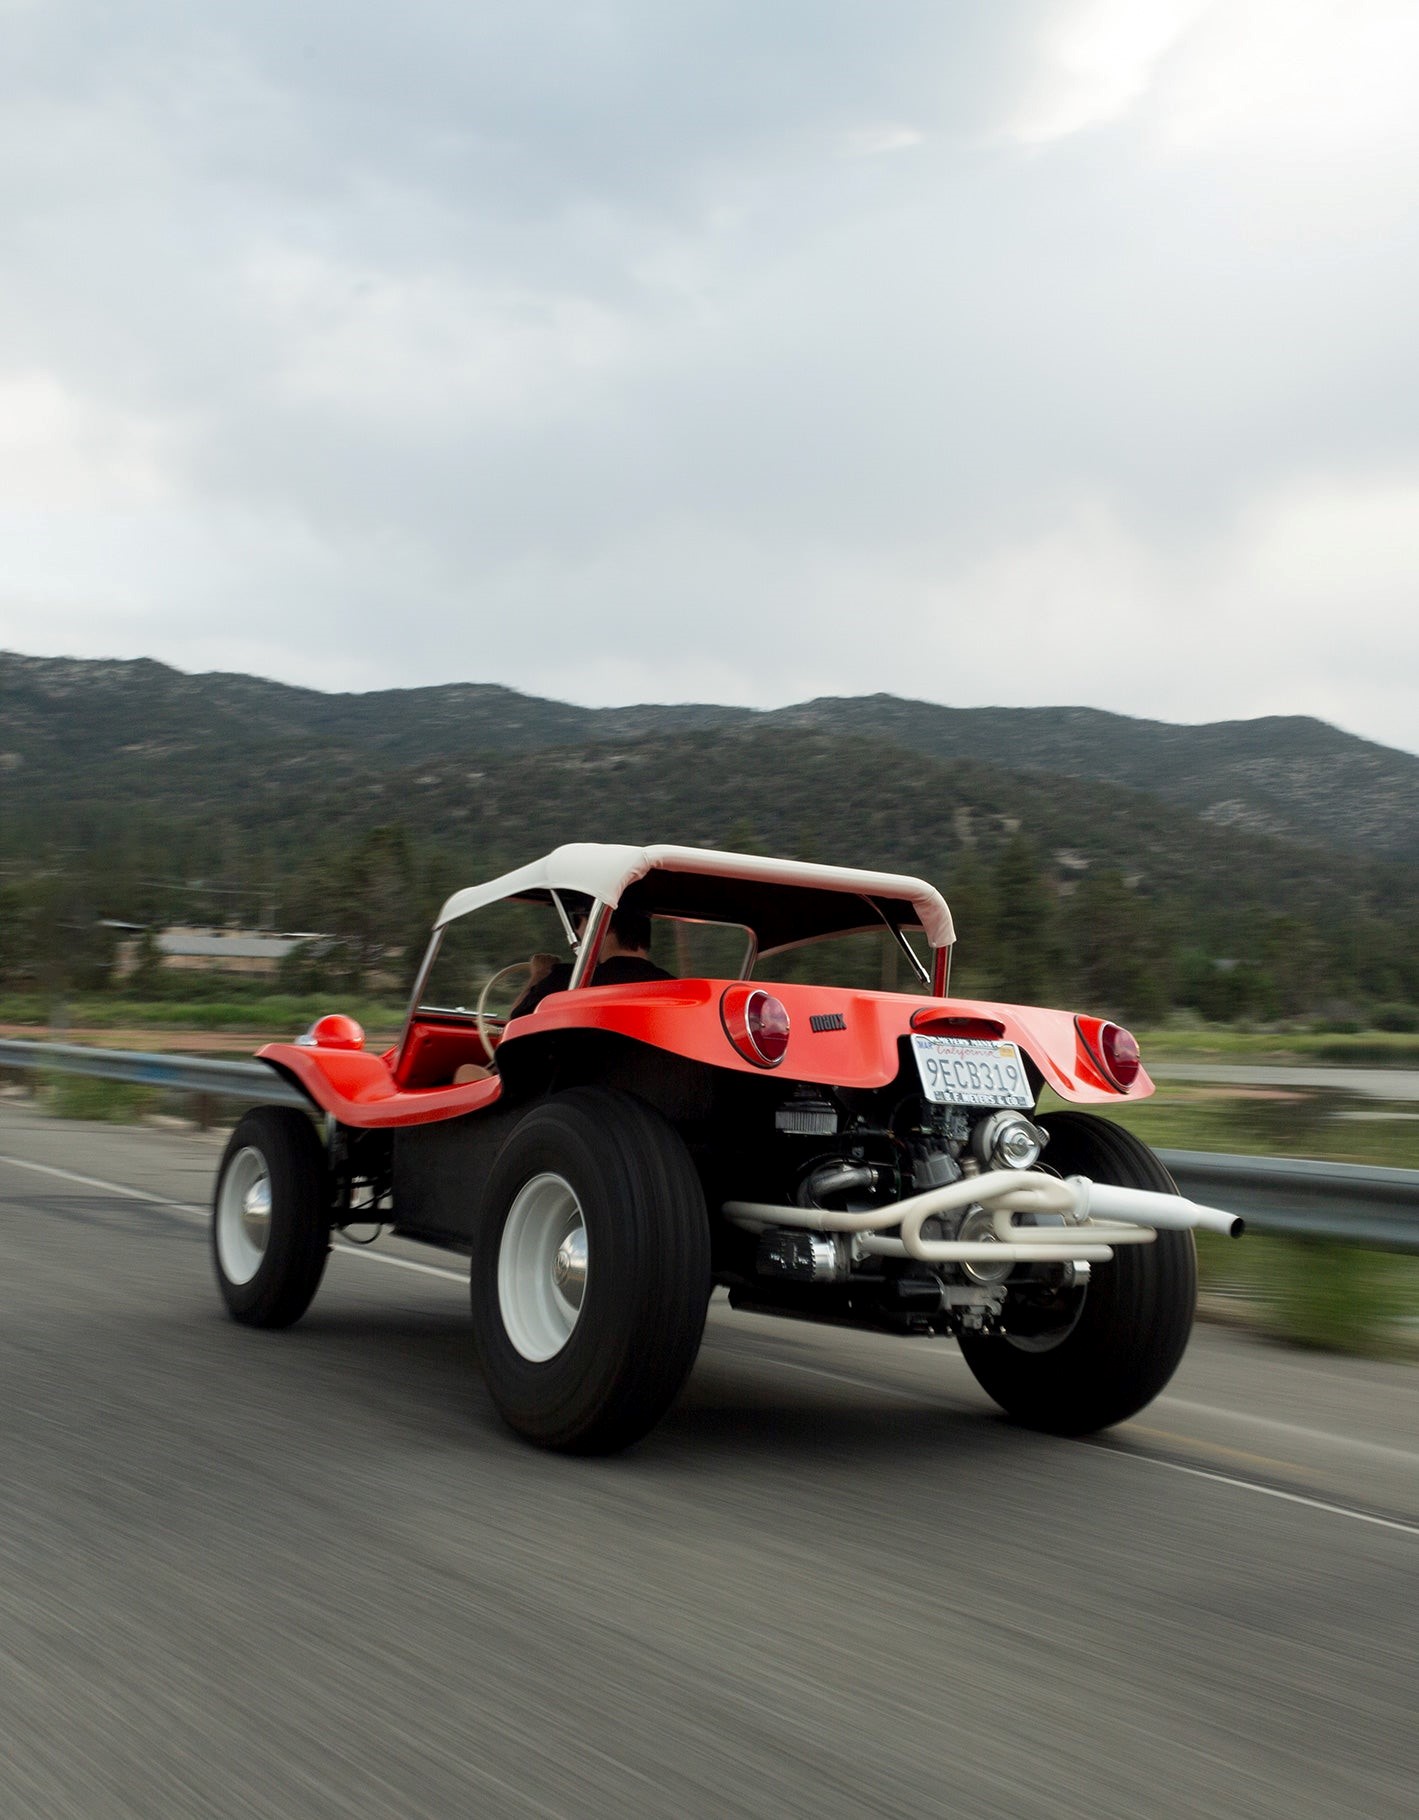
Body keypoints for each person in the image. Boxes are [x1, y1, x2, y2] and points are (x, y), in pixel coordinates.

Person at [451, 905, 670, 1083]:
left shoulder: (567, 979)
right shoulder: (673, 989)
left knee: (466, 1073)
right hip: (646, 1092)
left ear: (606, 926)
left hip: (563, 1093)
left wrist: (538, 975)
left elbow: (514, 1028)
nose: (577, 931)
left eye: (579, 921)